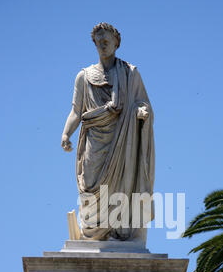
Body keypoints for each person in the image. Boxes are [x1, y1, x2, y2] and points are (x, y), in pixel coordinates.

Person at [61, 23, 155, 243]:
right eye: (99, 42)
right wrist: (66, 134)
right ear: (94, 44)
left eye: (107, 41)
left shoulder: (130, 74)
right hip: (94, 141)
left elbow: (143, 102)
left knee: (121, 184)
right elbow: (76, 111)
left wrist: (141, 111)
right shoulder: (84, 77)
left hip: (124, 139)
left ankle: (117, 233)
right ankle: (92, 233)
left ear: (116, 43)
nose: (103, 45)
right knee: (91, 186)